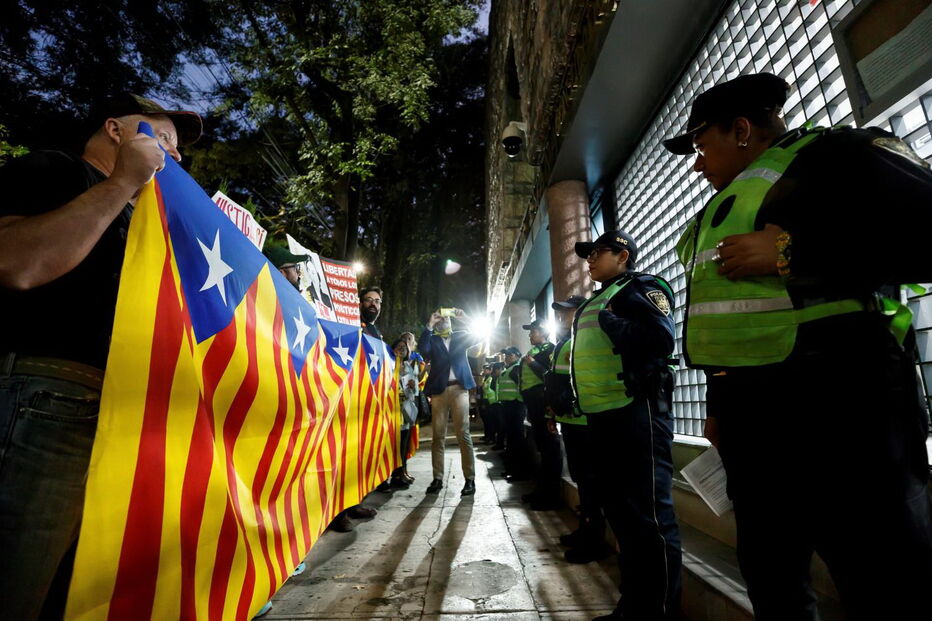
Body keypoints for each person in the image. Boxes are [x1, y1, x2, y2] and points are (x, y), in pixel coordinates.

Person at [664, 72, 932, 620]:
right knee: (773, 581)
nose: (696, 165)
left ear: (740, 129)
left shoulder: (840, 156)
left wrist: (795, 251)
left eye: (700, 146)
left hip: (842, 412)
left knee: (884, 581)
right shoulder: (730, 199)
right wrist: (720, 407)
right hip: (754, 426)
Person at [0, 93, 202, 619]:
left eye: (177, 151)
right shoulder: (58, 170)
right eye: (161, 140)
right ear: (115, 130)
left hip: (109, 420)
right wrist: (120, 184)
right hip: (45, 401)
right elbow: (17, 263)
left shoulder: (139, 220)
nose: (173, 158)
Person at [571, 229, 682, 621]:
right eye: (588, 255)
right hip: (604, 417)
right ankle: (634, 606)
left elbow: (660, 339)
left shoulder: (641, 287)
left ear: (623, 255)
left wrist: (611, 323)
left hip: (638, 413)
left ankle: (661, 611)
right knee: (623, 516)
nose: (590, 260)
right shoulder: (600, 298)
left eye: (597, 253)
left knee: (649, 517)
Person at [544, 294, 610, 564]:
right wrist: (553, 412)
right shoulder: (565, 341)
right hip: (570, 421)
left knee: (592, 483)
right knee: (582, 480)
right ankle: (585, 530)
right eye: (559, 313)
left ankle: (595, 540)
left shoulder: (583, 339)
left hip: (585, 421)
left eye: (567, 312)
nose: (561, 317)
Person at [329, 286, 385, 531]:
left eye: (377, 301)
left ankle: (354, 502)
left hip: (365, 405)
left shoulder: (375, 331)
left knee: (357, 458)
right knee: (340, 457)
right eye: (369, 300)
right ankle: (337, 512)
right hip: (345, 401)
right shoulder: (347, 322)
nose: (373, 304)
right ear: (359, 303)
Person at [419, 308, 482, 496]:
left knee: (463, 433)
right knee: (438, 436)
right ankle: (437, 478)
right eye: (440, 318)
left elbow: (477, 336)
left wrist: (466, 317)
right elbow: (423, 350)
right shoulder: (433, 339)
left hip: (459, 389)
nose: (443, 320)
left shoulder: (461, 336)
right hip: (439, 390)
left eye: (446, 317)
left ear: (451, 321)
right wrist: (429, 325)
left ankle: (469, 479)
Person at [518, 319, 560, 510]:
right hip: (532, 404)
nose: (530, 335)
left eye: (533, 331)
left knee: (550, 448)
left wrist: (533, 363)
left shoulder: (550, 350)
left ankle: (551, 495)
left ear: (543, 332)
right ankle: (542, 491)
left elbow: (548, 375)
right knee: (542, 448)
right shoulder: (532, 352)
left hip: (543, 403)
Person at [497, 346, 530, 481]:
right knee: (511, 439)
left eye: (510, 355)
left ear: (516, 356)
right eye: (506, 355)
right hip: (509, 406)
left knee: (516, 439)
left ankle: (518, 472)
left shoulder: (517, 368)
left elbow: (523, 386)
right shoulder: (509, 369)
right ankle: (511, 469)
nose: (507, 357)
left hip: (515, 406)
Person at [390, 338, 419, 488]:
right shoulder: (388, 364)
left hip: (406, 411)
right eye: (398, 347)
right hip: (393, 412)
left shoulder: (408, 366)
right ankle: (396, 474)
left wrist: (413, 386)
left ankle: (403, 471)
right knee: (395, 445)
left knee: (404, 445)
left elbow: (415, 391)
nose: (401, 350)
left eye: (404, 348)